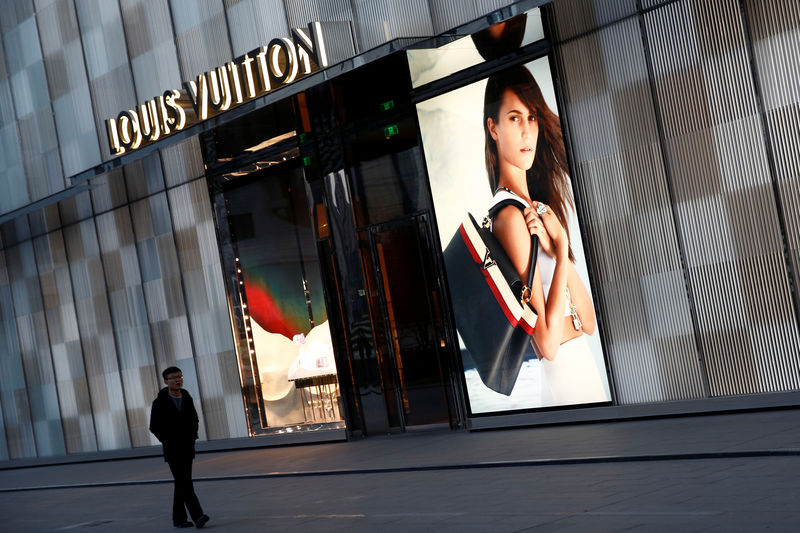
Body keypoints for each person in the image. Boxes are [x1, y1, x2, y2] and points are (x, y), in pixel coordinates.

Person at [483, 65, 607, 405]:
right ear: (493, 127)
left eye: (532, 118)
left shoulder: (535, 209)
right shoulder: (510, 217)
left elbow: (590, 321)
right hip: (564, 380)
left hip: (581, 368)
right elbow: (548, 344)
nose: (526, 131)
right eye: (513, 118)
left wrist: (558, 248)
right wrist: (562, 244)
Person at [149, 367, 210, 528]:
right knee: (185, 482)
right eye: (173, 377)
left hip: (187, 447)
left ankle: (179, 519)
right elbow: (154, 426)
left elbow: (194, 418)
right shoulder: (159, 402)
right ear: (165, 381)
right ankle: (198, 516)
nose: (178, 380)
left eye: (180, 376)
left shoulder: (187, 397)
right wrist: (167, 440)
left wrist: (193, 436)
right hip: (172, 449)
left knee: (181, 483)